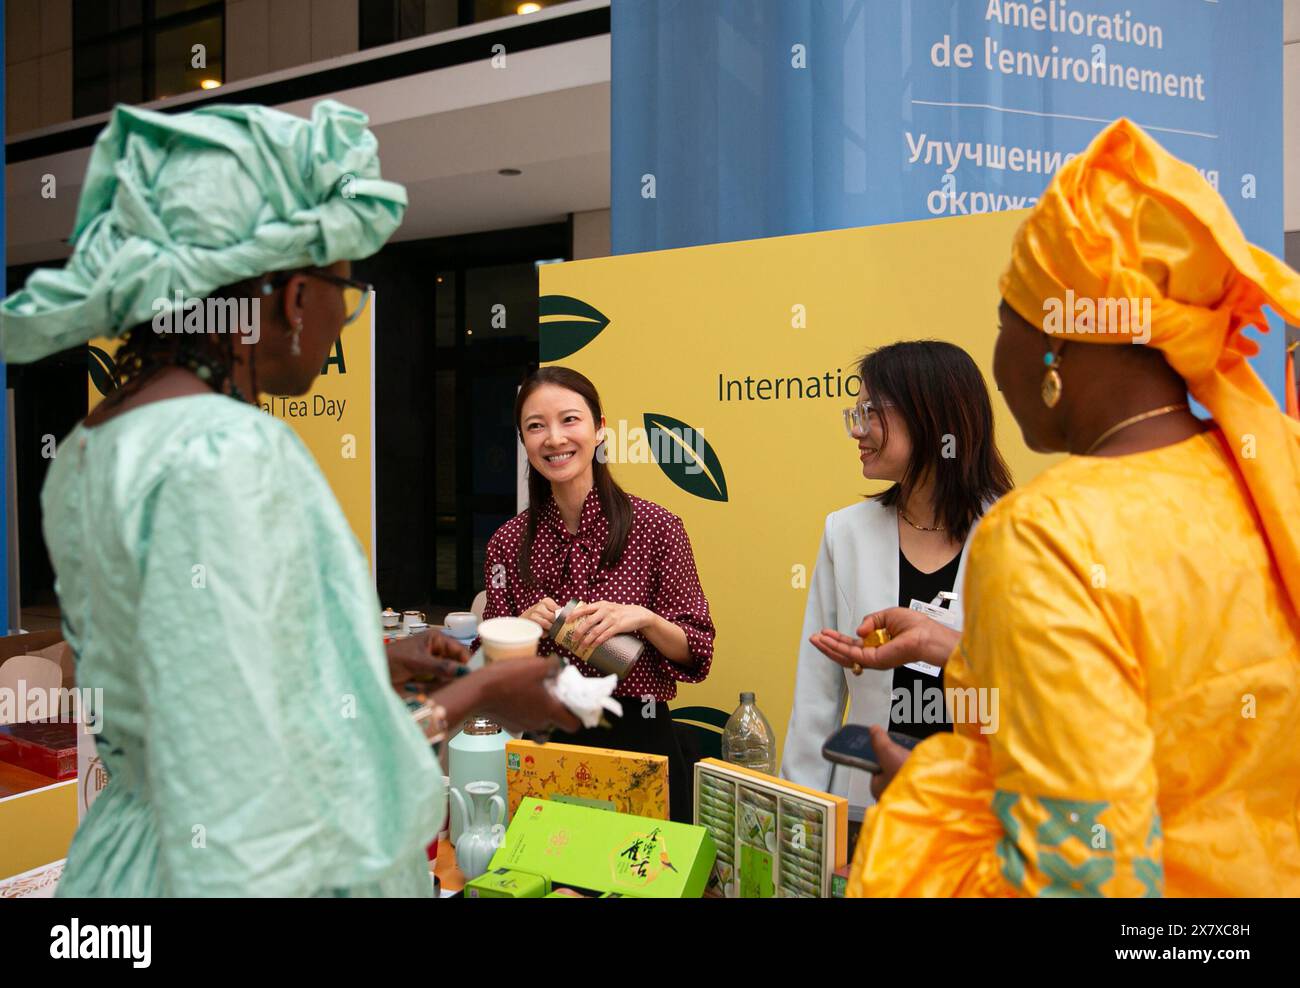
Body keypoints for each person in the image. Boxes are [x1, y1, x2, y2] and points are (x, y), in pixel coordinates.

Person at [0, 100, 577, 897]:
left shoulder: (95, 445)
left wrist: (367, 662)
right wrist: (478, 695)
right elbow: (258, 768)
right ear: (287, 299)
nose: (342, 323)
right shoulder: (229, 449)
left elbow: (201, 670)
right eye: (342, 290)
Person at [846, 118, 1300, 896]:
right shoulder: (1273, 473)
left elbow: (1078, 879)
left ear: (1058, 346)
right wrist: (964, 650)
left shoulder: (1045, 535)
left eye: (1004, 321)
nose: (997, 357)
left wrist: (926, 805)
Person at [781, 342, 1012, 809]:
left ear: (931, 416)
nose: (857, 430)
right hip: (871, 806)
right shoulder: (845, 533)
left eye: (871, 411)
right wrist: (802, 822)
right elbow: (816, 701)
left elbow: (1042, 689)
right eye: (855, 411)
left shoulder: (1017, 535)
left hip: (983, 810)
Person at [481, 366, 715, 823]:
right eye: (535, 426)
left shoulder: (656, 528)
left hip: (641, 739)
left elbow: (698, 650)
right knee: (553, 883)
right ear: (524, 441)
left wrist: (642, 618)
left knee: (644, 883)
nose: (554, 438)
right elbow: (493, 682)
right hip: (547, 746)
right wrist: (519, 634)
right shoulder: (506, 544)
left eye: (570, 420)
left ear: (599, 430)